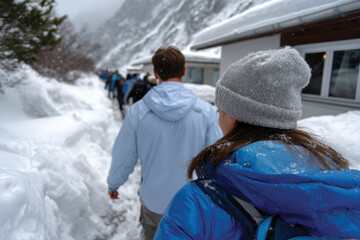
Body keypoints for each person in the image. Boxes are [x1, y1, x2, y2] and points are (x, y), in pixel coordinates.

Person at [154, 47, 360, 239]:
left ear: (233, 115)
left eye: (220, 111)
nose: (218, 118)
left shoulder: (196, 203)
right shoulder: (342, 193)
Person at [107, 46, 222, 240]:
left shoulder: (138, 112)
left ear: (155, 73)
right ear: (184, 71)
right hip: (190, 202)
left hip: (154, 200)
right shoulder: (205, 112)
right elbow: (216, 160)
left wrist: (113, 184)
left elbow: (124, 156)